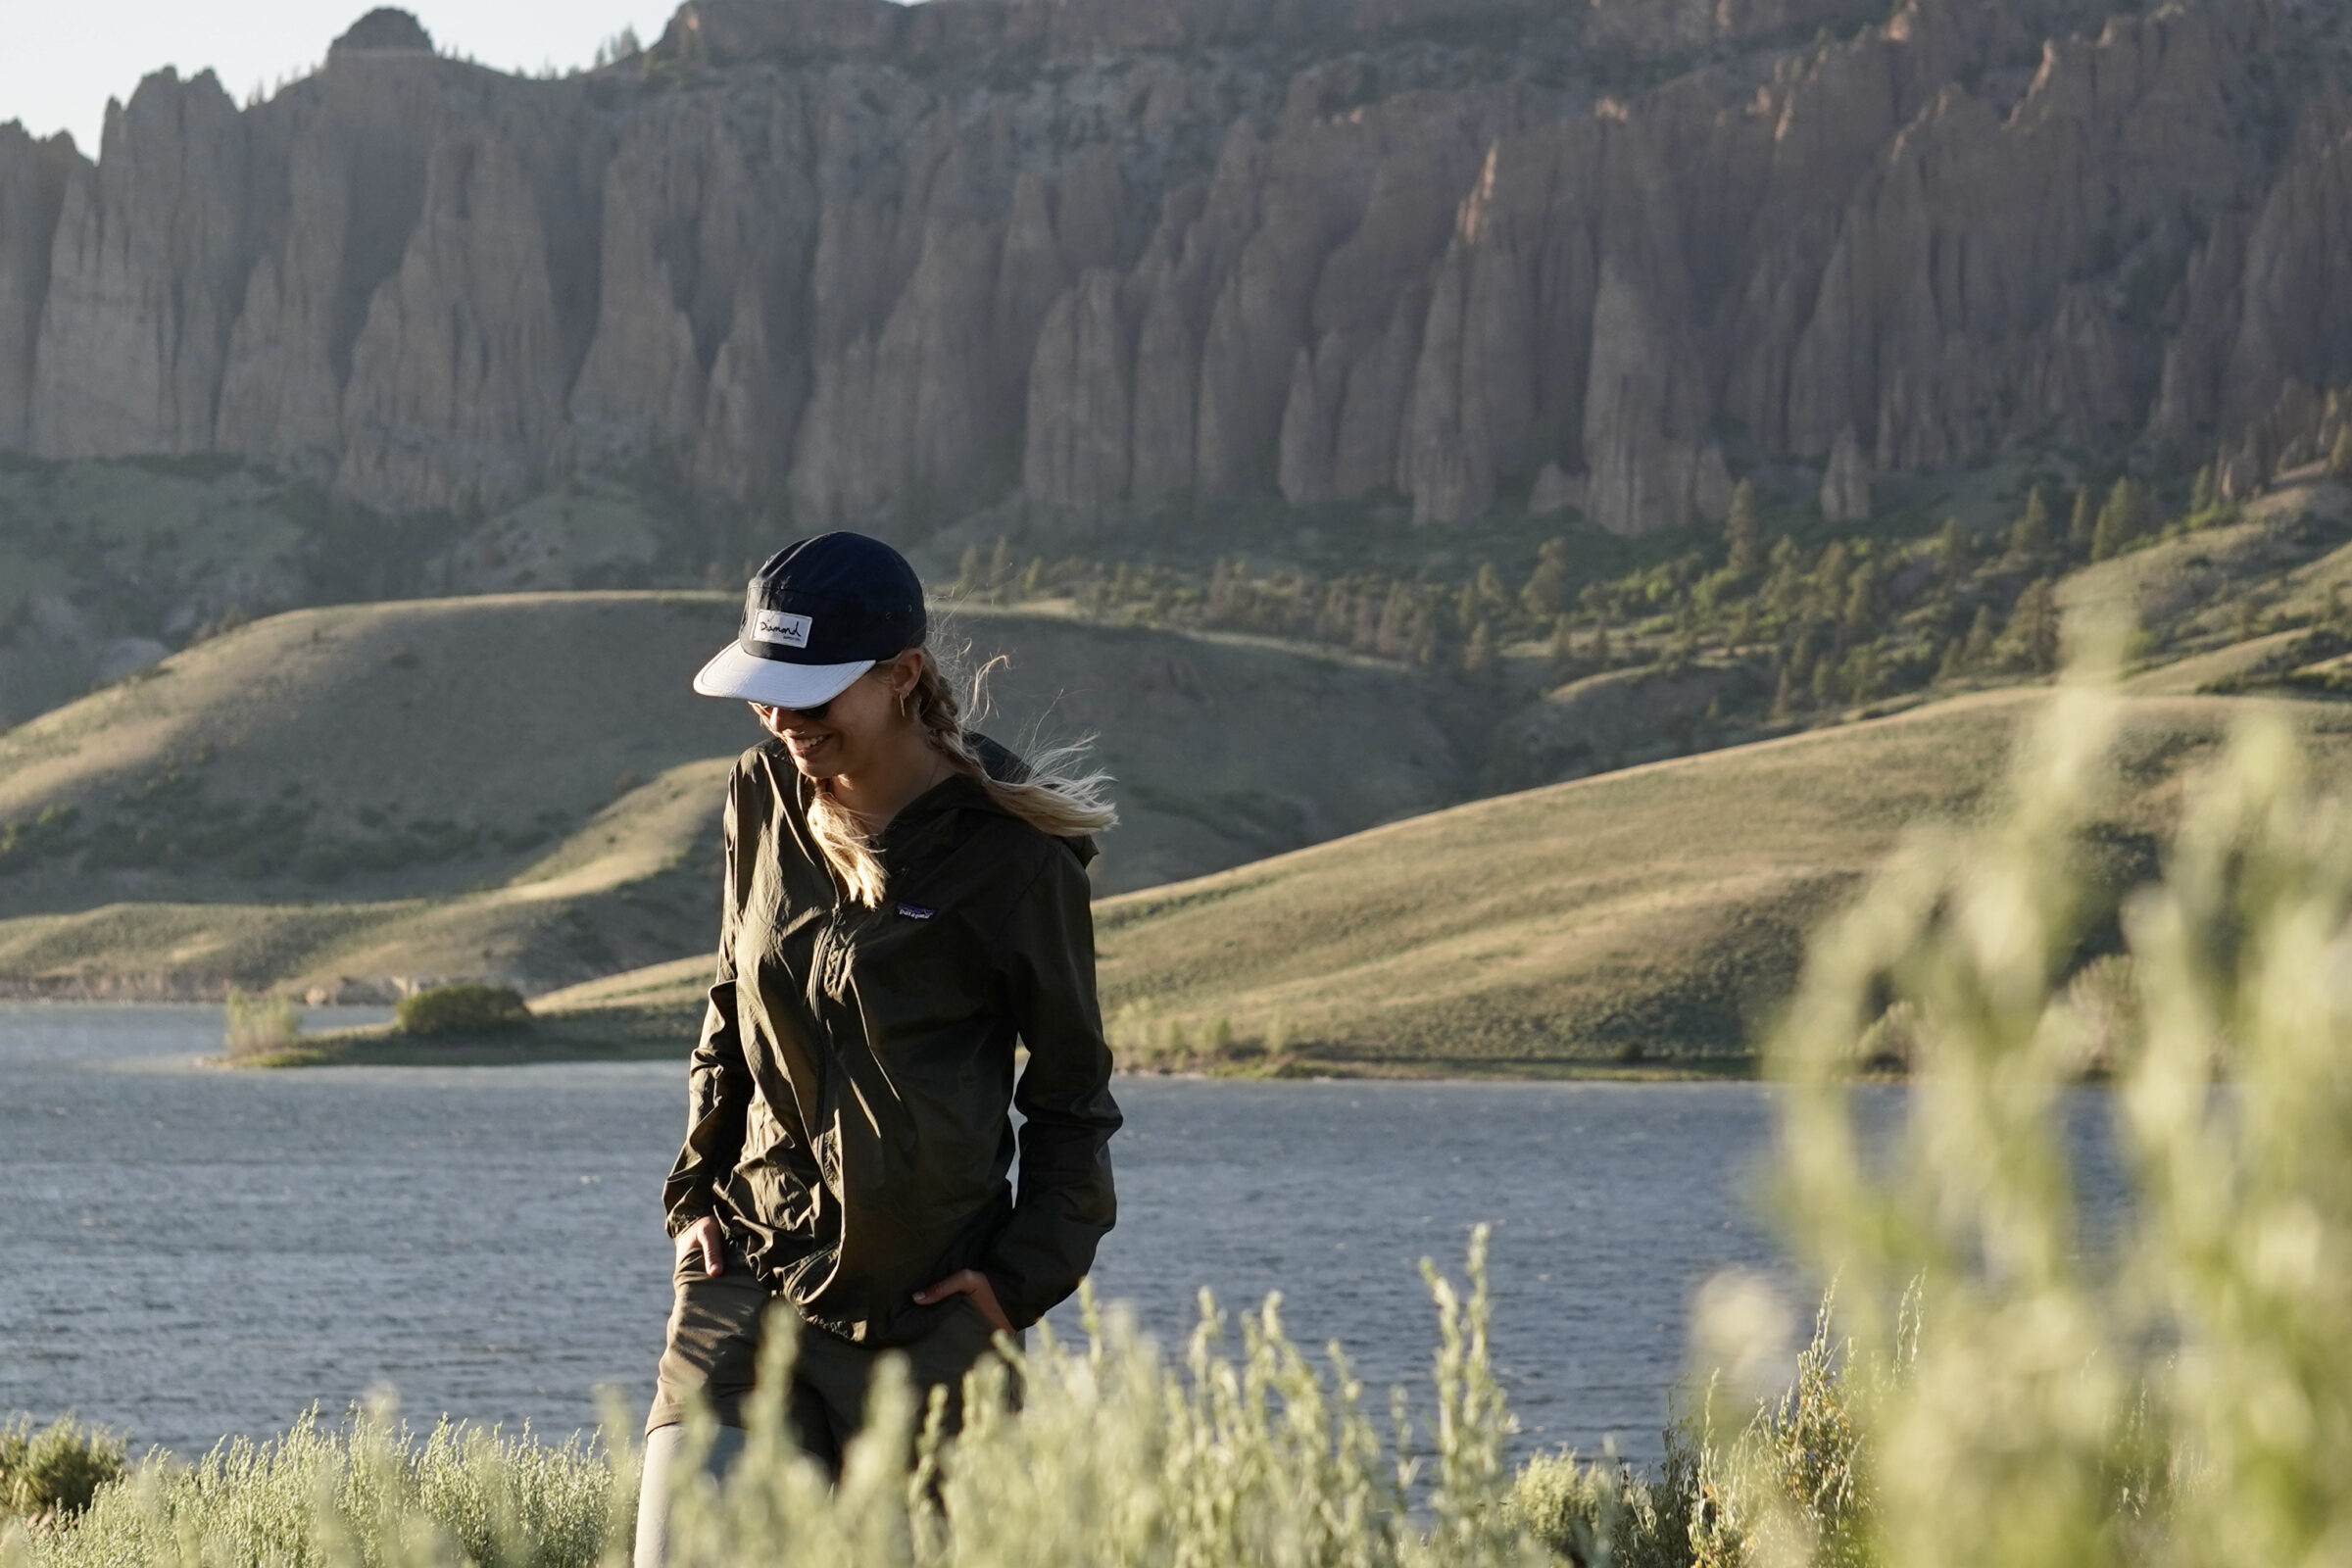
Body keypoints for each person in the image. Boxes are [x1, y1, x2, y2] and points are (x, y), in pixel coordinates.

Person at [633, 532, 1122, 1566]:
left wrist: (1014, 1282)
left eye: (811, 698)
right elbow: (729, 1008)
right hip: (744, 1280)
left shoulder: (1016, 858)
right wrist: (692, 1202)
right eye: (765, 693)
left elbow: (1074, 1101)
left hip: (926, 1322)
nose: (782, 720)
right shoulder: (760, 794)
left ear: (902, 677)